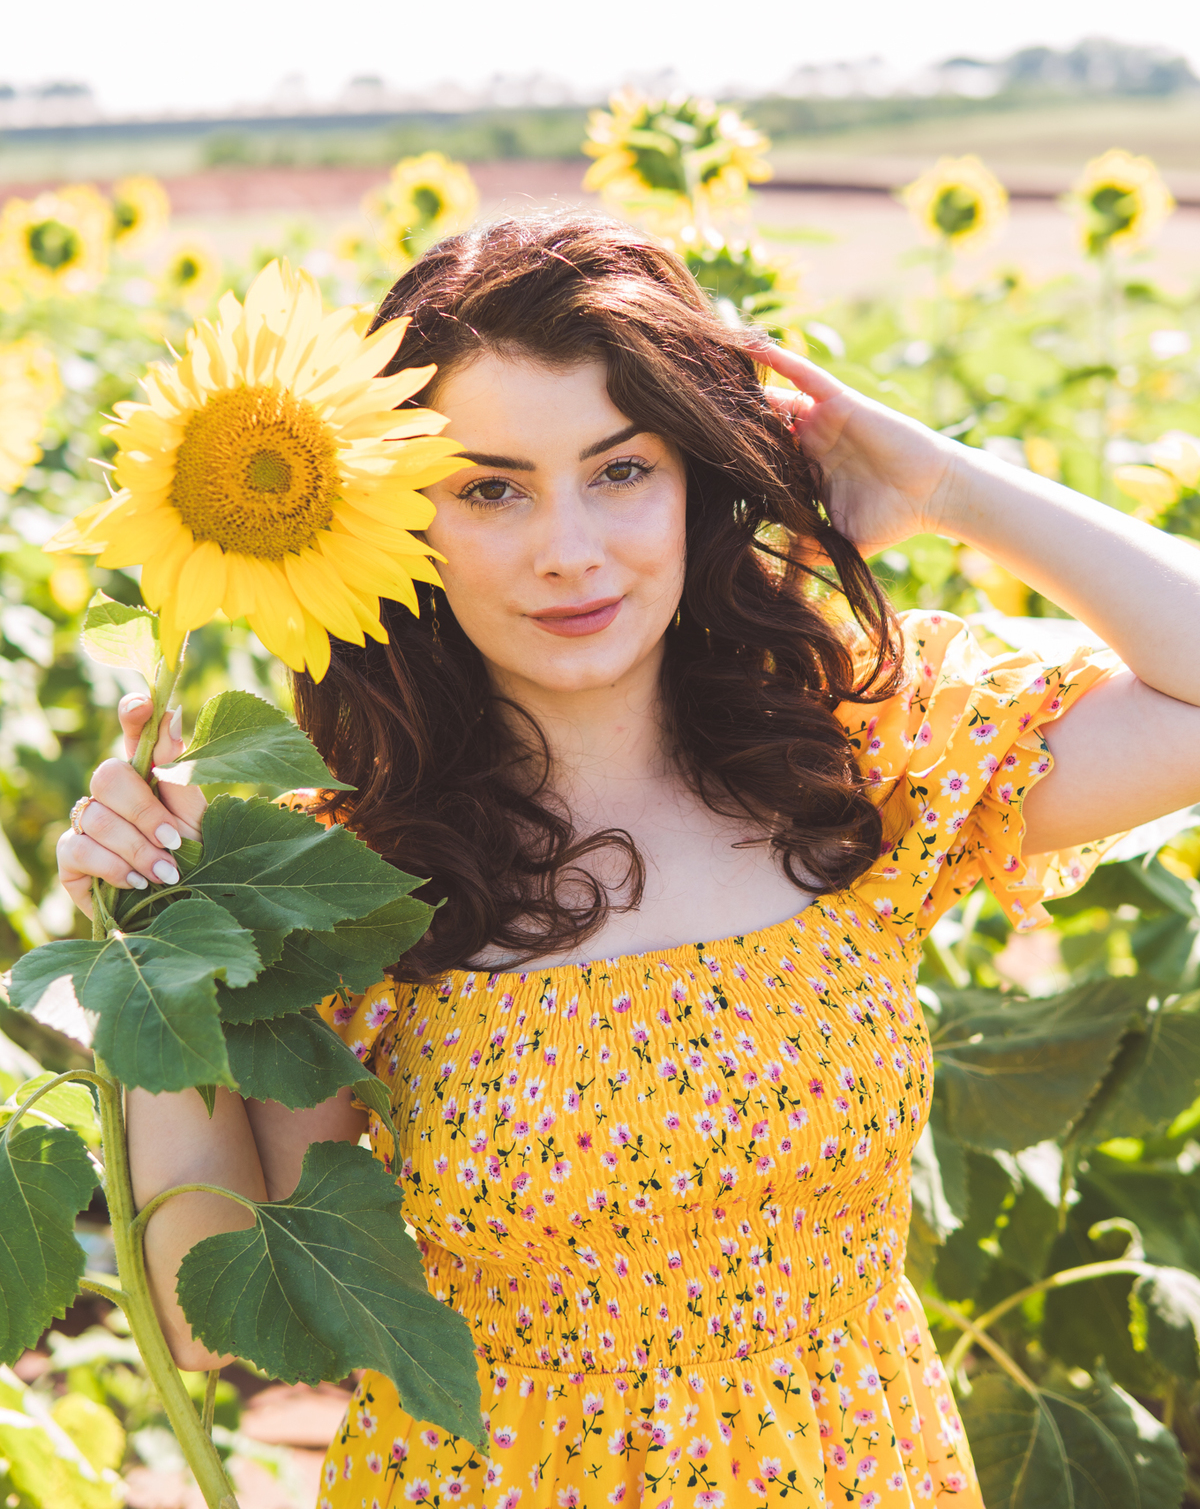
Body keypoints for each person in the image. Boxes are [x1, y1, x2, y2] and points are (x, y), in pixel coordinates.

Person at [60, 215, 1200, 1509]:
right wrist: (148, 941)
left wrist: (943, 484)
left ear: (697, 477)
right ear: (401, 527)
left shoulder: (855, 760)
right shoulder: (343, 875)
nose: (571, 549)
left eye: (620, 470)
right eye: (491, 488)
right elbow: (222, 1312)